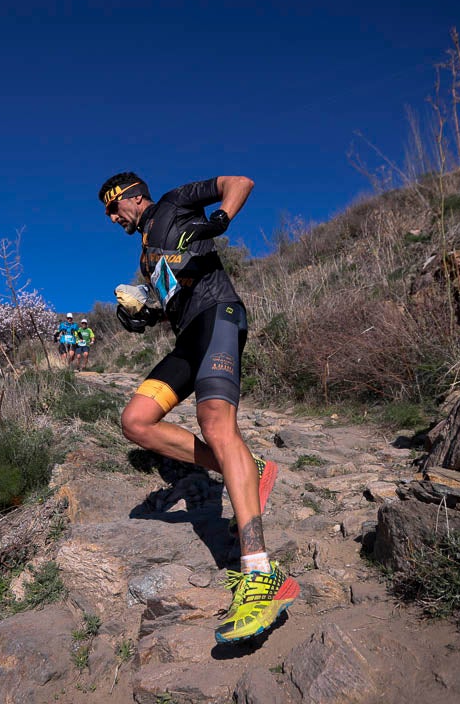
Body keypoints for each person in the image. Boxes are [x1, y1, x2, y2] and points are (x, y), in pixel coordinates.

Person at [99, 171, 298, 644]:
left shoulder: (172, 203)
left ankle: (259, 577)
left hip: (218, 317)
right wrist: (143, 314)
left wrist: (219, 220)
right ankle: (247, 468)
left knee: (214, 423)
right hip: (188, 335)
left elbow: (241, 181)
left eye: (112, 208)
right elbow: (173, 297)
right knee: (137, 421)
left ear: (128, 198)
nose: (111, 218)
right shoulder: (146, 253)